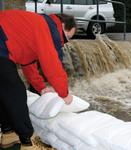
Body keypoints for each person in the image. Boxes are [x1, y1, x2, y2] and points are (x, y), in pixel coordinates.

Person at [0, 9, 76, 150]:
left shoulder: (36, 26)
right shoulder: (44, 27)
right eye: (65, 39)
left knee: (5, 91)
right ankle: (28, 142)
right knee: (16, 93)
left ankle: (9, 133)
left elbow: (28, 63)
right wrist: (64, 93)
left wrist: (41, 87)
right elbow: (51, 63)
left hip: (3, 47)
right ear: (62, 25)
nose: (63, 44)